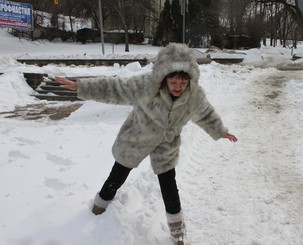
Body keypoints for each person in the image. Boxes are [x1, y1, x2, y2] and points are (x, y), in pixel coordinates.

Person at [55, 43, 237, 245]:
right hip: (137, 137)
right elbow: (115, 89)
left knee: (169, 185)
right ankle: (101, 202)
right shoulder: (145, 86)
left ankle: (177, 227)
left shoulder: (194, 96)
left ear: (189, 81)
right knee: (118, 173)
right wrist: (81, 86)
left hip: (166, 144)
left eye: (182, 83)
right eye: (174, 82)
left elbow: (205, 113)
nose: (178, 87)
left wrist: (221, 131)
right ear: (164, 78)